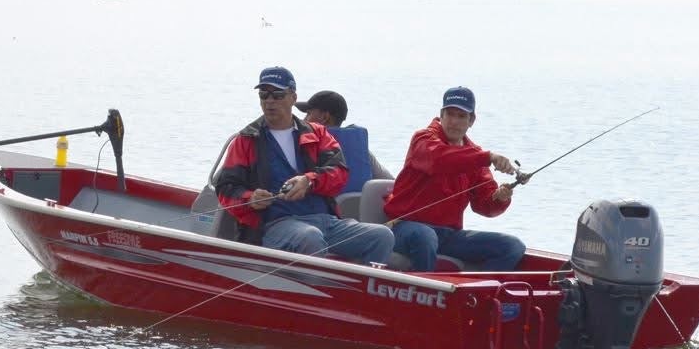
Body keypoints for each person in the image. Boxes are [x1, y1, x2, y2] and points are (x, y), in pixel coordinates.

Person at [215, 66, 394, 265]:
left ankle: (360, 292)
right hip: (275, 225)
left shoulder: (318, 133)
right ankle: (309, 293)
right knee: (310, 237)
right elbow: (226, 188)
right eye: (264, 94)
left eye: (278, 94)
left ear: (293, 97)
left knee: (382, 236)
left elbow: (339, 172)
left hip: (327, 221)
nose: (269, 101)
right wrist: (251, 198)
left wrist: (309, 181)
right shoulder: (246, 140)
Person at [383, 86, 530, 272]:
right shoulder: (423, 139)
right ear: (441, 115)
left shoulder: (475, 155)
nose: (454, 122)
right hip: (404, 228)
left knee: (512, 246)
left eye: (461, 116)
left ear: (472, 120)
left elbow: (484, 206)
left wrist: (500, 197)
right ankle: (428, 294)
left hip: (449, 235)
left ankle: (477, 296)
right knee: (425, 236)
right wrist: (489, 157)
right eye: (450, 114)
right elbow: (440, 160)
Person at [294, 90, 394, 193]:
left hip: (327, 207)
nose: (304, 120)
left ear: (324, 117)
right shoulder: (360, 149)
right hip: (359, 206)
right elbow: (390, 182)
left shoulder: (308, 147)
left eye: (308, 114)